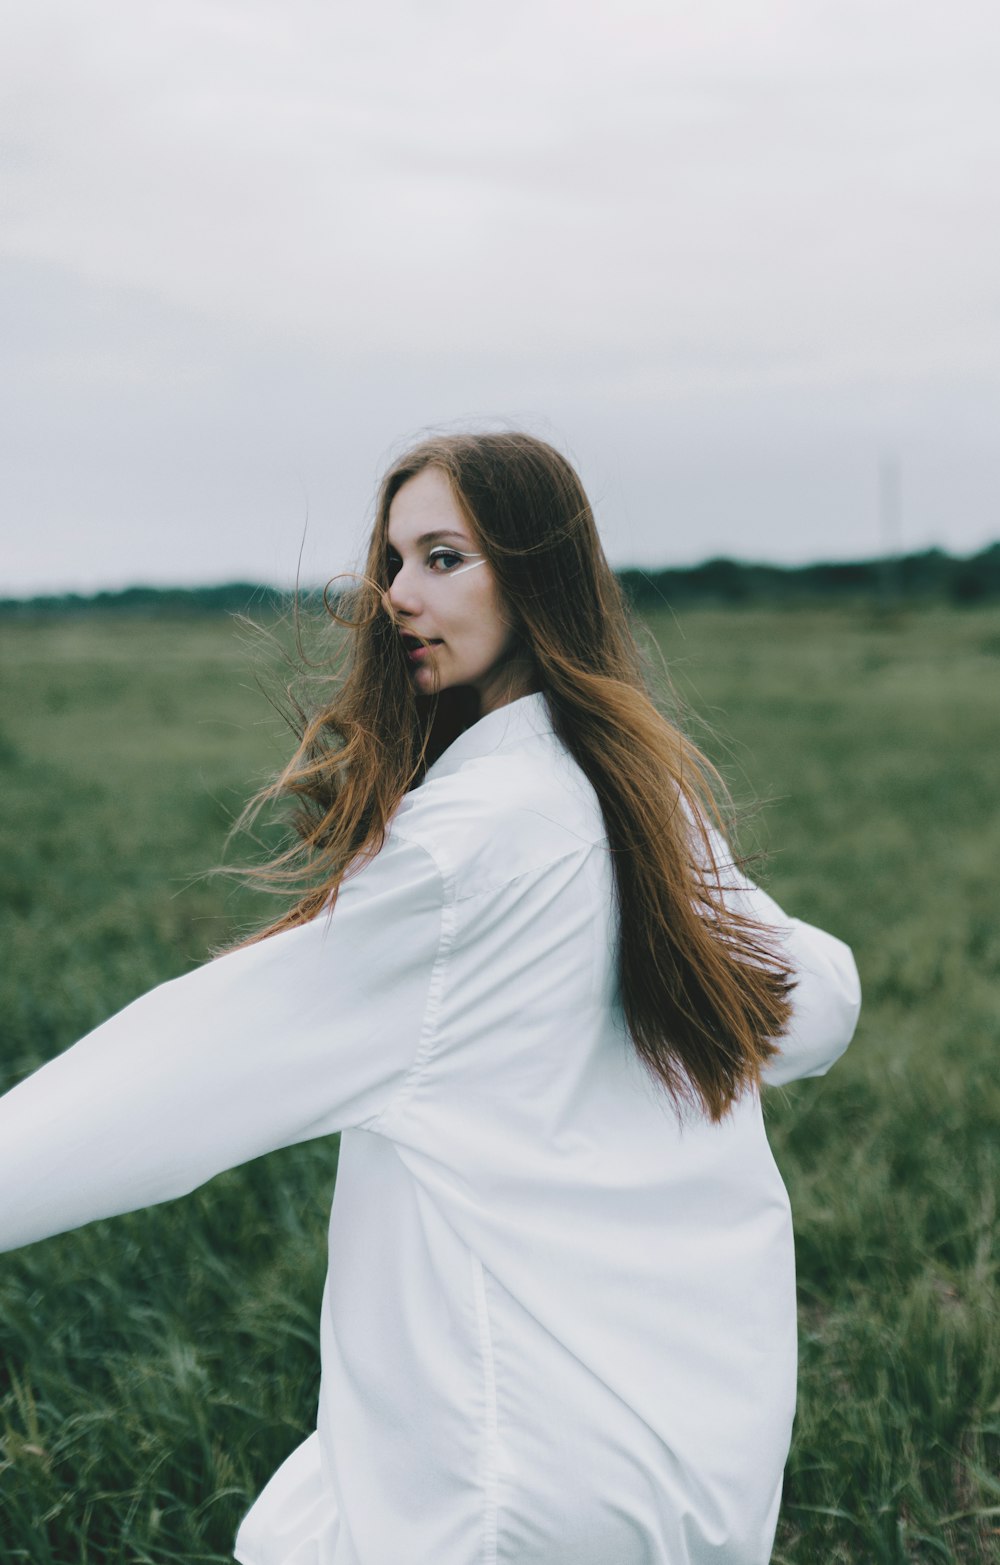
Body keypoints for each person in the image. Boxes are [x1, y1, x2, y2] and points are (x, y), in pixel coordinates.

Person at [0, 431, 861, 1565]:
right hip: (689, 1457)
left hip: (501, 1477)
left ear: (540, 573)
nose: (397, 595)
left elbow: (175, 1076)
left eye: (444, 555)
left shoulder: (461, 857)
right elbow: (818, 1003)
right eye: (395, 558)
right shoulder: (640, 800)